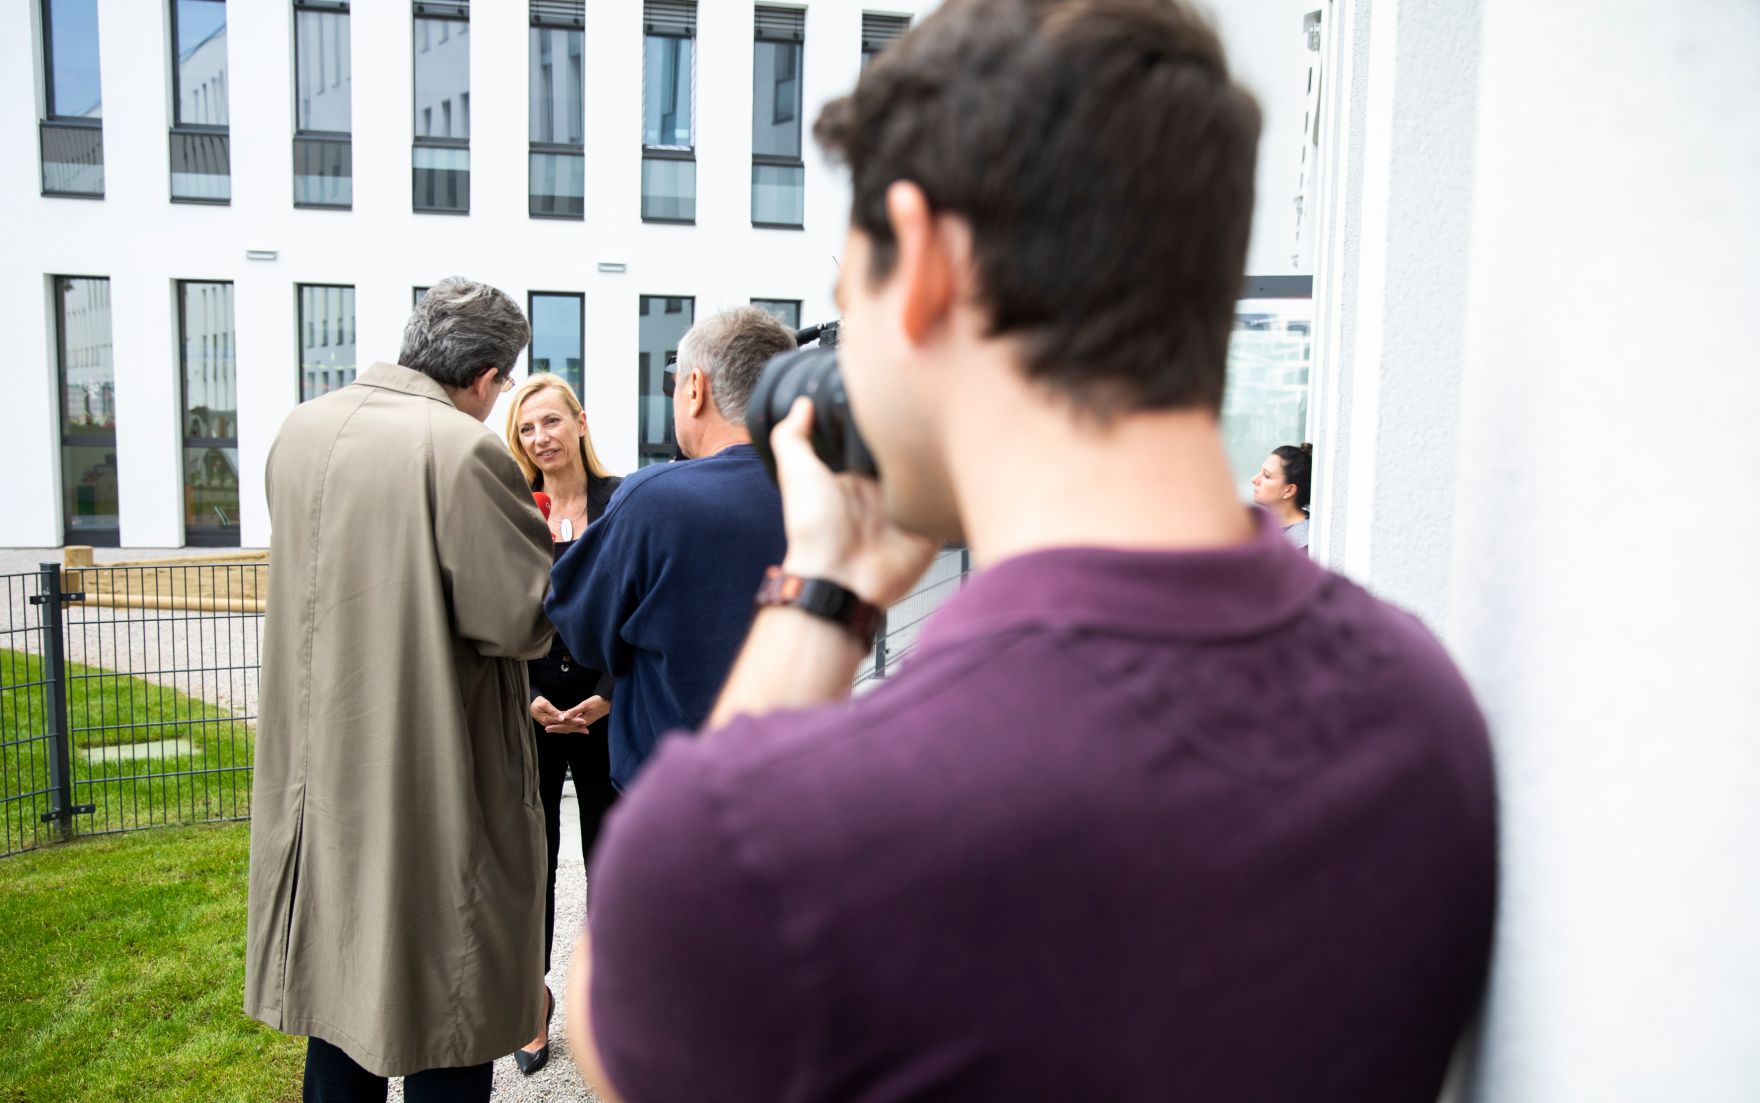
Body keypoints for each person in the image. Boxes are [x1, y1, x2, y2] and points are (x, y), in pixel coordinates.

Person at [565, 2, 1498, 1101]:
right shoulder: (1422, 709)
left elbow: (616, 1010)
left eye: (844, 306)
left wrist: (823, 590)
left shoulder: (778, 838)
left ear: (919, 262)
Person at [246, 277, 553, 1102]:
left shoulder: (302, 430)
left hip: (323, 770)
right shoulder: (460, 447)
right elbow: (520, 618)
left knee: (340, 995)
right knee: (450, 998)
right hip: (428, 769)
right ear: (489, 378)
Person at [545, 306, 793, 790]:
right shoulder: (830, 495)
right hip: (794, 788)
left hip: (678, 799)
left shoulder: (654, 498)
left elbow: (584, 630)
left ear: (695, 388)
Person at [501, 373, 623, 1076]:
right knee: (532, 861)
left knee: (609, 856)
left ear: (579, 421)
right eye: (525, 428)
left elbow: (639, 598)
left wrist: (607, 693)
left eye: (551, 421)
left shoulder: (623, 502)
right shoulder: (513, 507)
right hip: (536, 711)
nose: (541, 437)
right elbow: (496, 610)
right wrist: (524, 695)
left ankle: (606, 1000)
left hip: (606, 707)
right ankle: (532, 1000)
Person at [1252, 442, 1313, 548]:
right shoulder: (1255, 525)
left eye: (1267, 475)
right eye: (1260, 471)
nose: (1254, 480)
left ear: (1289, 490)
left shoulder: (1308, 542)